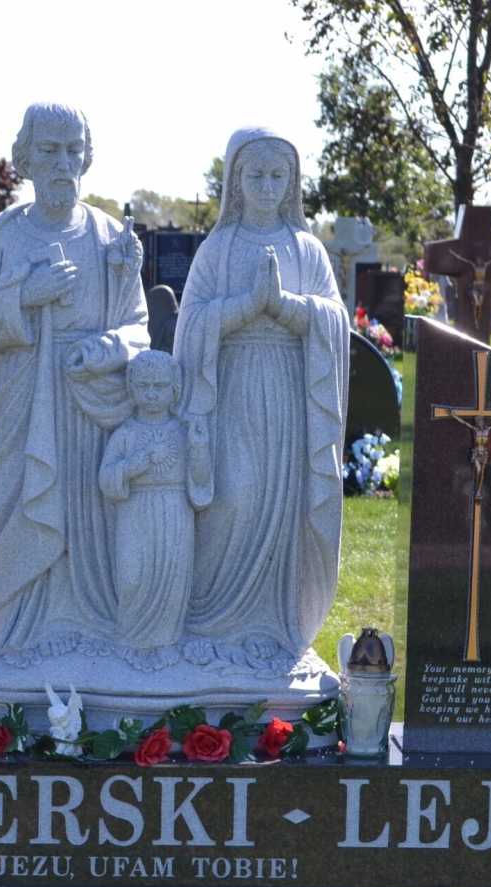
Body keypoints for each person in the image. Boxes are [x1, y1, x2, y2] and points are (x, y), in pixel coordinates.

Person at [0, 102, 148, 656]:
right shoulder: (2, 236)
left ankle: (88, 628)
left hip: (93, 407)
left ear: (87, 156)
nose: (63, 162)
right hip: (24, 400)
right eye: (49, 150)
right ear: (25, 158)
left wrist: (108, 347)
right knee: (18, 506)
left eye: (73, 150)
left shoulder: (110, 236)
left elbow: (140, 327)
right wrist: (24, 296)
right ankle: (13, 630)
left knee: (89, 518)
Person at [170, 128, 346, 670]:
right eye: (256, 176)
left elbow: (335, 321)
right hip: (232, 391)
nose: (267, 186)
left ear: (292, 183)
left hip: (289, 395)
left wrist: (289, 308)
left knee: (284, 505)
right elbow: (191, 323)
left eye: (278, 176)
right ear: (235, 183)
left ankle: (274, 625)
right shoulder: (217, 249)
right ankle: (209, 620)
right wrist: (246, 307)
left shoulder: (307, 249)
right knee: (232, 496)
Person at [98, 351, 211, 650]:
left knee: (172, 576)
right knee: (133, 576)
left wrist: (199, 448)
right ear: (132, 389)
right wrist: (132, 466)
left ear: (173, 389)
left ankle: (165, 644)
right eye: (144, 386)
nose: (151, 394)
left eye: (159, 387)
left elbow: (200, 481)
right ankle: (132, 641)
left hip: (174, 511)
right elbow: (106, 479)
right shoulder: (125, 434)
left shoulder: (182, 432)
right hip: (135, 511)